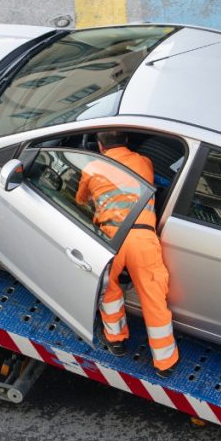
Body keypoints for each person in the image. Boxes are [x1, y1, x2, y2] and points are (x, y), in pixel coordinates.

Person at [75, 131, 179, 377]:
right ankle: (165, 363)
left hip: (110, 238)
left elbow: (80, 200)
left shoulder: (92, 168)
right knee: (153, 298)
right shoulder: (144, 162)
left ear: (100, 146)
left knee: (108, 290)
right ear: (127, 141)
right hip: (143, 237)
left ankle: (116, 340)